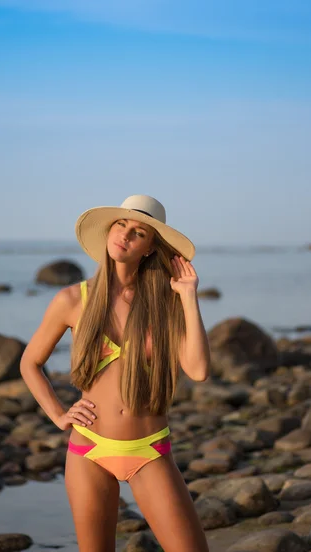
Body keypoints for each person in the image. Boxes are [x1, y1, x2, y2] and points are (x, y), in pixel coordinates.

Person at [20, 194, 211, 552]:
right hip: (88, 450)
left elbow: (198, 370)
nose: (125, 235)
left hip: (149, 450)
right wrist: (59, 415)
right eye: (120, 225)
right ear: (108, 232)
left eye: (138, 232)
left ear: (150, 247)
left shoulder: (165, 303)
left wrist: (188, 296)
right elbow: (30, 363)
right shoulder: (72, 300)